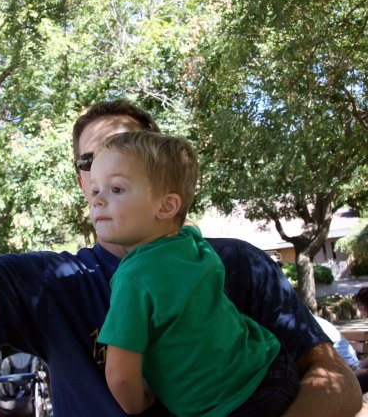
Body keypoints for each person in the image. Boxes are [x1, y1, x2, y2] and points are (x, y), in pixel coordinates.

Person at [0, 99, 362, 416]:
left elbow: (338, 383)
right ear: (82, 181)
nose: (104, 178)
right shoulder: (51, 284)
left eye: (123, 158)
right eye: (91, 163)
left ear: (163, 186)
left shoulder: (236, 263)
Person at [93, 131, 299, 416]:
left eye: (116, 189)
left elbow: (120, 375)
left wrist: (140, 402)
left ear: (167, 205)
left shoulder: (133, 277)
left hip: (232, 405)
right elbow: (189, 224)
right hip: (273, 365)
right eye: (95, 190)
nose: (97, 200)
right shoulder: (189, 242)